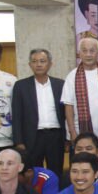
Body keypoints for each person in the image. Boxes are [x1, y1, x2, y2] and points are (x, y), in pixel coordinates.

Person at [62, 37, 98, 167]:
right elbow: (68, 106)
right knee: (81, 171)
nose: (88, 54)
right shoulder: (72, 76)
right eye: (84, 50)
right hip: (81, 137)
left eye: (92, 51)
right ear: (79, 53)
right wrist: (72, 133)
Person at [11, 48, 66, 178]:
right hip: (32, 137)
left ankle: (55, 191)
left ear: (50, 64)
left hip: (55, 135)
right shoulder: (21, 86)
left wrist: (67, 138)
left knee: (56, 171)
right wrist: (19, 141)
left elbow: (65, 113)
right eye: (34, 61)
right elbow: (17, 115)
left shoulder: (60, 84)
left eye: (42, 61)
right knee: (34, 172)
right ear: (30, 64)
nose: (38, 64)